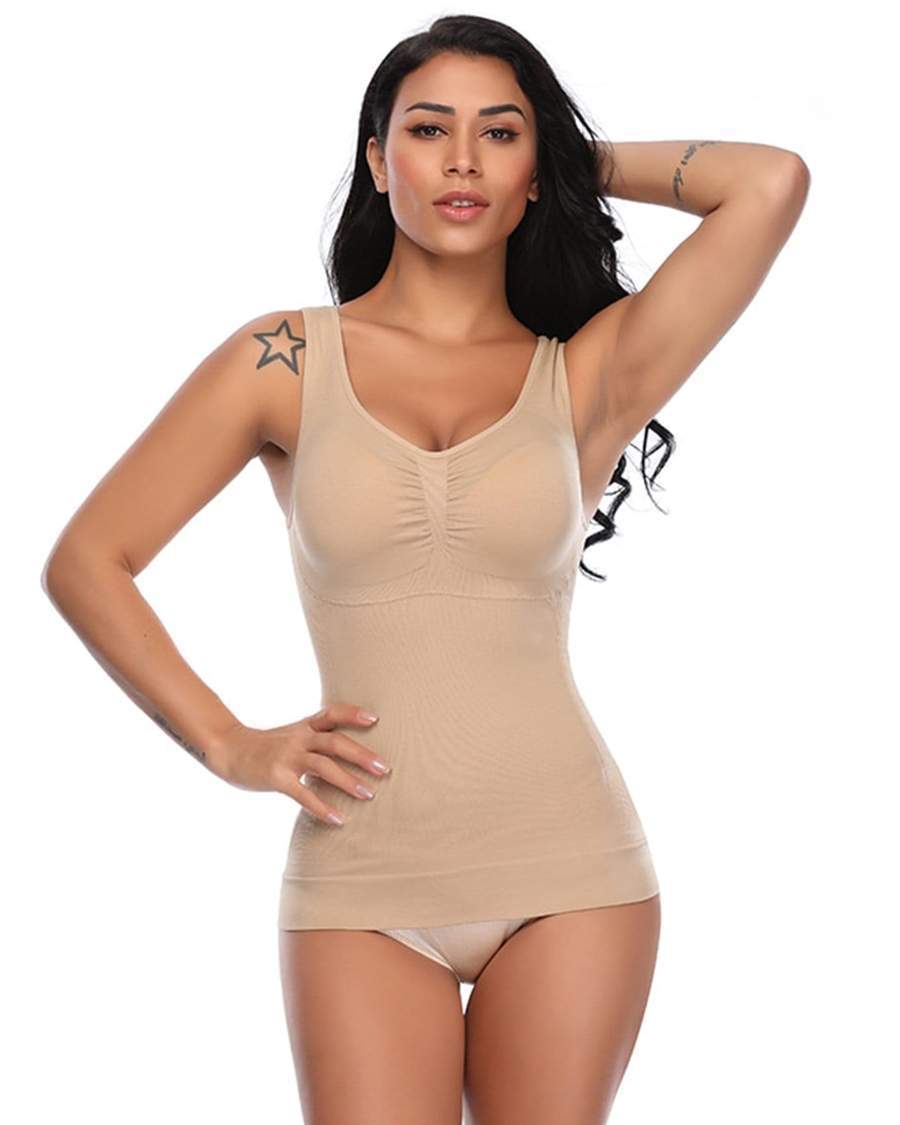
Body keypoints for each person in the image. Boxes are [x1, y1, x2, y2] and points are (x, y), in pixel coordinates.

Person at [41, 14, 809, 1125]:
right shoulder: (282, 358)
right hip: (361, 882)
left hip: (572, 870)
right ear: (376, 158)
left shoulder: (588, 373)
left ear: (532, 168)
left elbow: (771, 183)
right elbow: (89, 559)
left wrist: (563, 151)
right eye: (428, 130)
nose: (461, 161)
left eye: (497, 134)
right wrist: (229, 743)